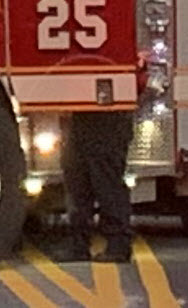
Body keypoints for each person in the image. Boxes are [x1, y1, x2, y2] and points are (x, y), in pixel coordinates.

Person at [50, 110, 134, 263]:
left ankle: (118, 244)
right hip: (83, 116)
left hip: (109, 118)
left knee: (107, 184)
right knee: (78, 180)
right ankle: (79, 244)